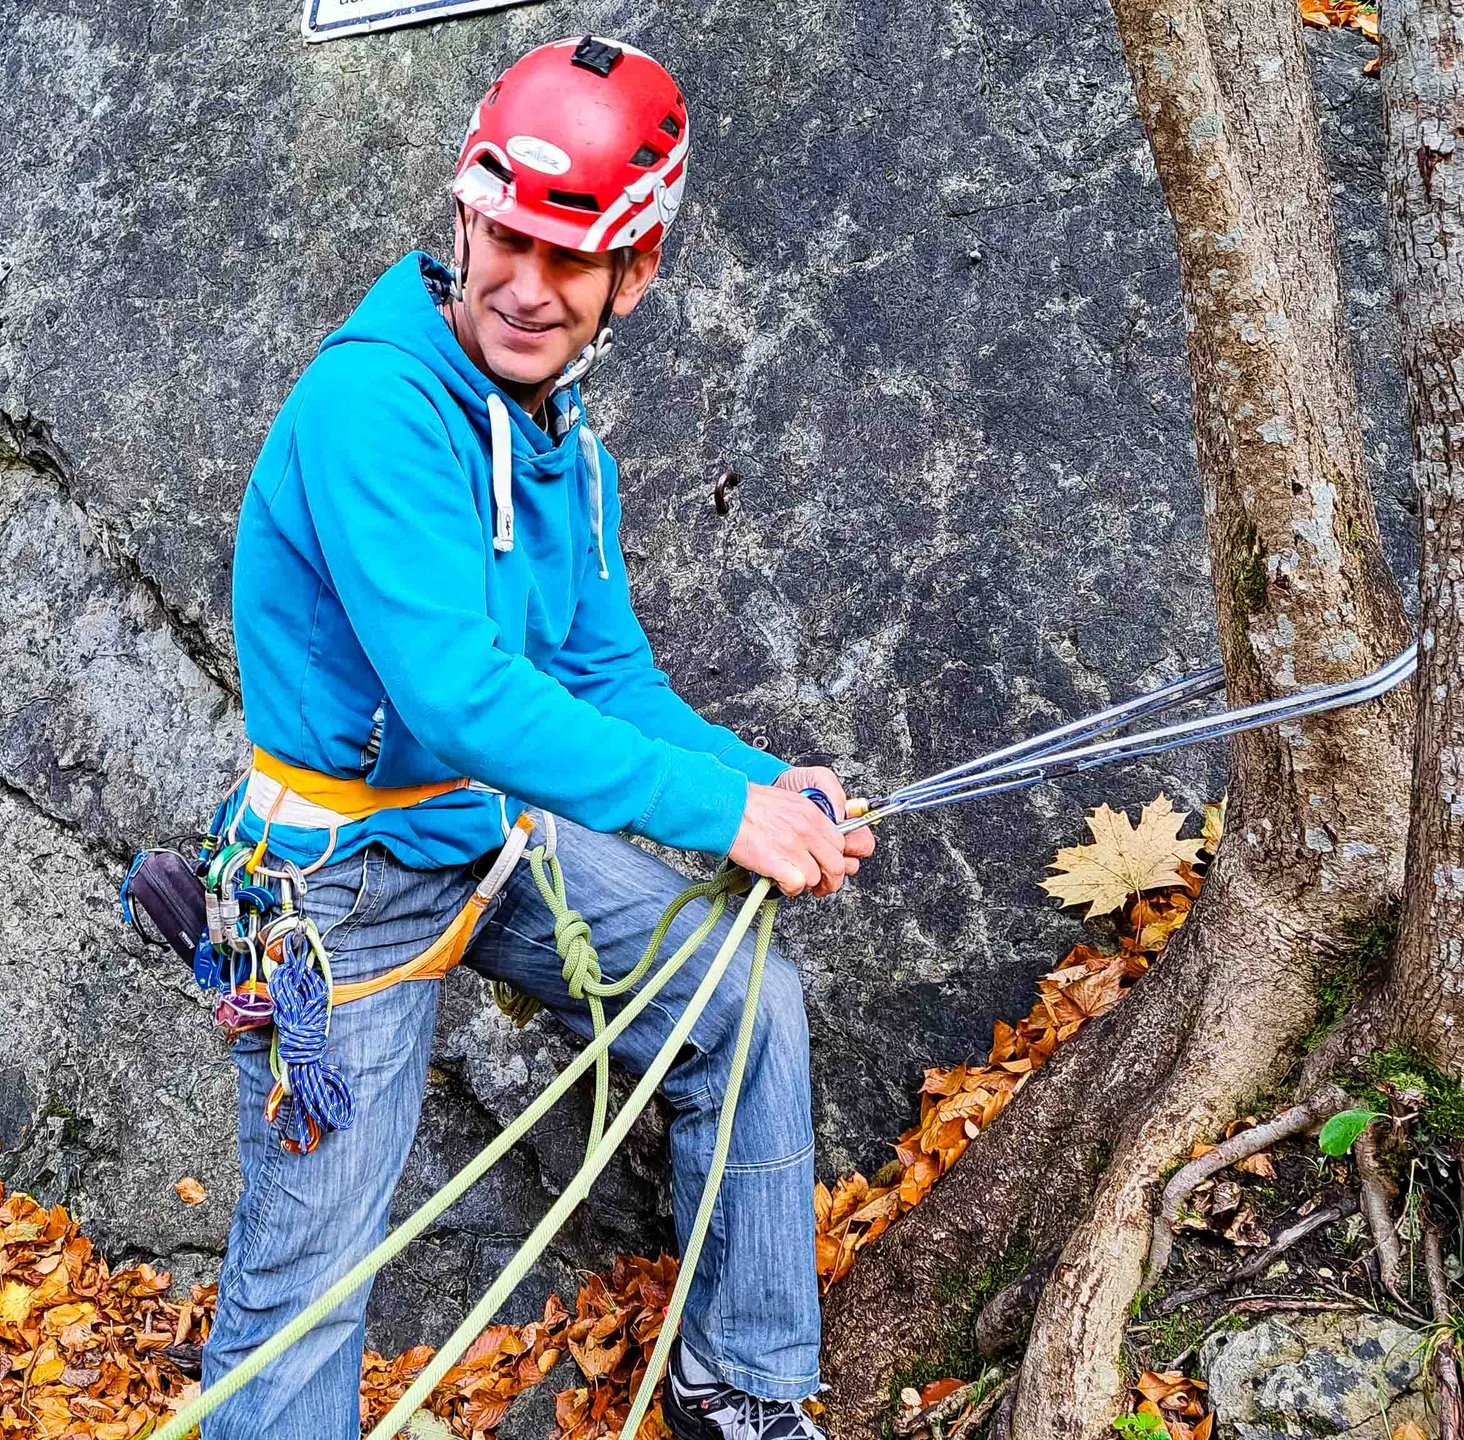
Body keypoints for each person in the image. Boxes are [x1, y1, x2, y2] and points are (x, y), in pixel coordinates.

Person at [200, 35, 873, 1440]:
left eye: (570, 260)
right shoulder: (372, 410)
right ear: (464, 214)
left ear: (638, 272)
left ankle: (741, 1387)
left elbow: (600, 674)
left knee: (744, 1008)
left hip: (481, 834)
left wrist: (764, 784)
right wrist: (718, 819)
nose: (525, 284)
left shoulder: (562, 439)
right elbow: (455, 697)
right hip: (338, 894)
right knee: (307, 1290)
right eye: (507, 237)